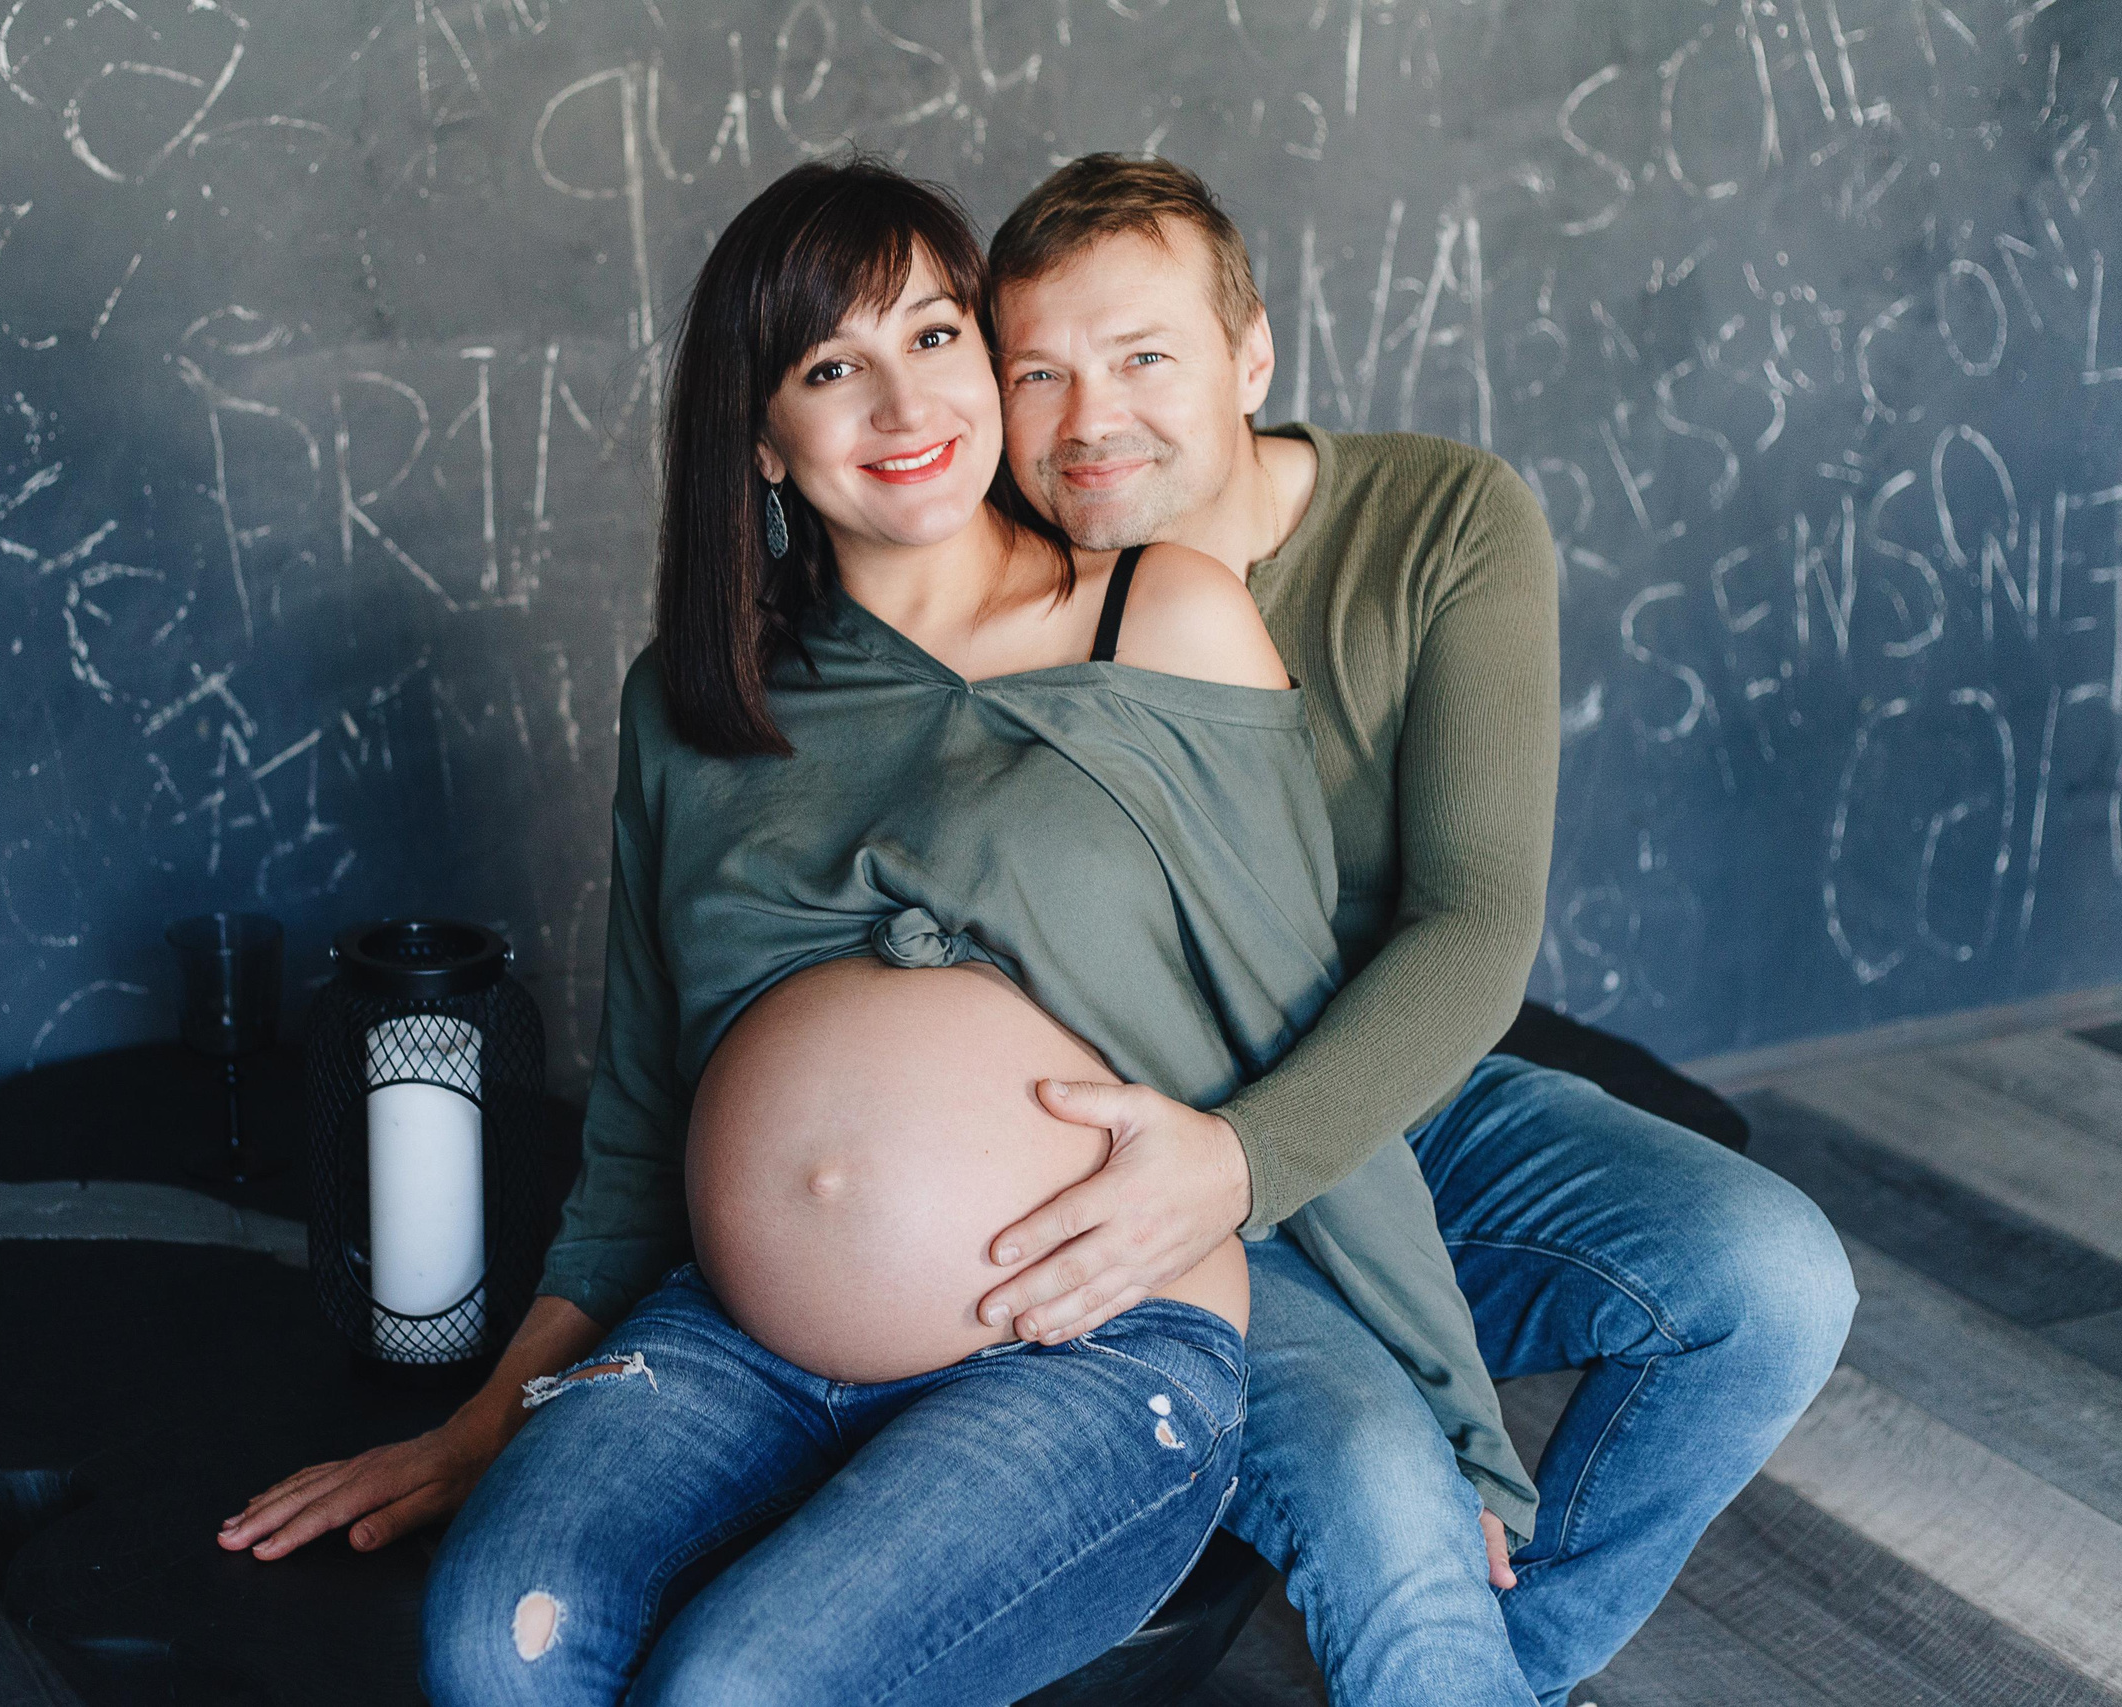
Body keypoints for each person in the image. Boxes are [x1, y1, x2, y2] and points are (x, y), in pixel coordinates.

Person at [219, 156, 1531, 1702]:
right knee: (496, 1640)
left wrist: (1458, 1425)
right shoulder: (698, 706)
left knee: (736, 1684)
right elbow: (643, 1125)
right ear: (764, 441)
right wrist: (483, 1423)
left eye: (932, 339)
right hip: (735, 1335)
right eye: (831, 368)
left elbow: (1288, 1010)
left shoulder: (1162, 614)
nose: (905, 411)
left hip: (1086, 1340)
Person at [968, 153, 1861, 1706]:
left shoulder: (1442, 516)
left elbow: (1473, 922)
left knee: (1777, 1282)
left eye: (1144, 356)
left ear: (1254, 357)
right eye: (1035, 370)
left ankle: (1491, 1669)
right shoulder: (983, 575)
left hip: (1398, 1103)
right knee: (1387, 1485)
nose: (1086, 418)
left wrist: (1254, 1160)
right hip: (1122, 1154)